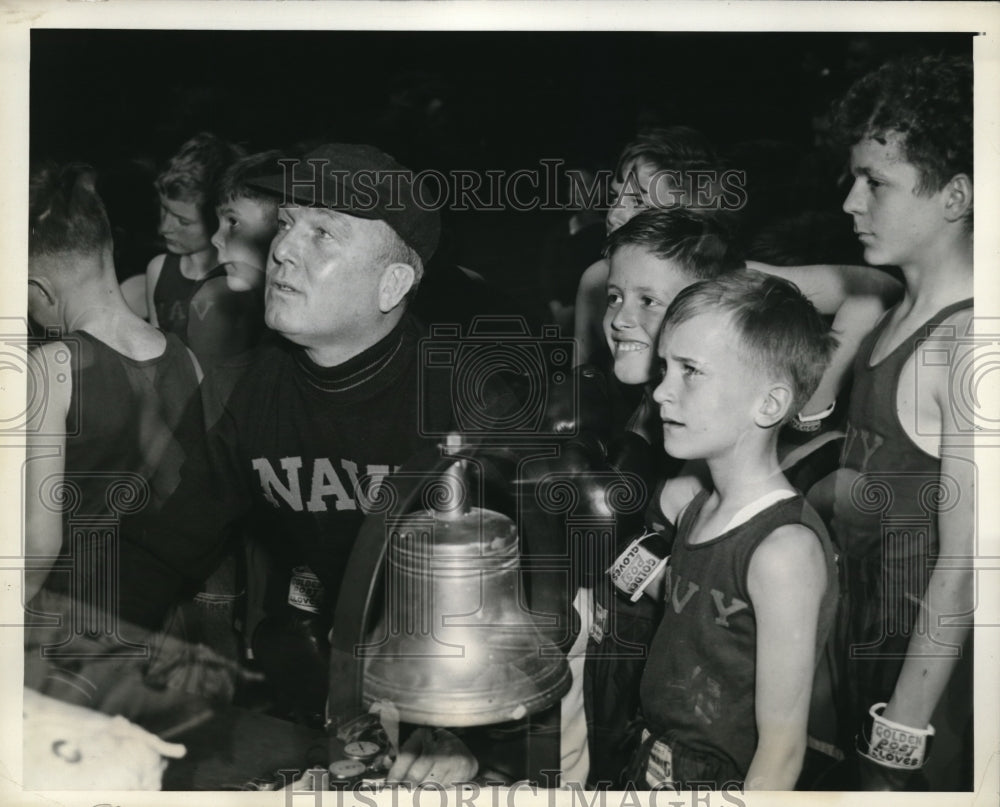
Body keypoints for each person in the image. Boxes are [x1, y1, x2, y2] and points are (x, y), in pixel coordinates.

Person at [124, 143, 521, 786]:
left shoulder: (468, 406)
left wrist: (467, 727)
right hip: (314, 684)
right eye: (287, 224)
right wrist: (59, 655)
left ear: (393, 284)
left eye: (323, 233)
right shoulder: (242, 390)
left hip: (451, 703)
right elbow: (152, 549)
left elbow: (531, 605)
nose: (282, 249)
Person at [812, 54, 974, 791]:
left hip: (932, 686)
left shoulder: (969, 343)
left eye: (875, 181)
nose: (851, 200)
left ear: (956, 196)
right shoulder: (888, 313)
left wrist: (899, 743)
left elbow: (967, 565)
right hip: (863, 641)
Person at [629, 271, 839, 790]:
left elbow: (782, 752)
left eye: (690, 371)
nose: (660, 392)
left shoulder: (782, 550)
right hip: (655, 756)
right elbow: (698, 609)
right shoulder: (698, 506)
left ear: (768, 404)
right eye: (664, 368)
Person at [23, 163, 208, 712]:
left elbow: (39, 542)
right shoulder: (186, 357)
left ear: (38, 287)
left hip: (66, 633)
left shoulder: (51, 366)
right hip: (155, 628)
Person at [144, 132, 243, 343]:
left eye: (183, 221)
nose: (164, 228)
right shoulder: (158, 270)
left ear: (217, 219)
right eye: (164, 209)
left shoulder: (239, 278)